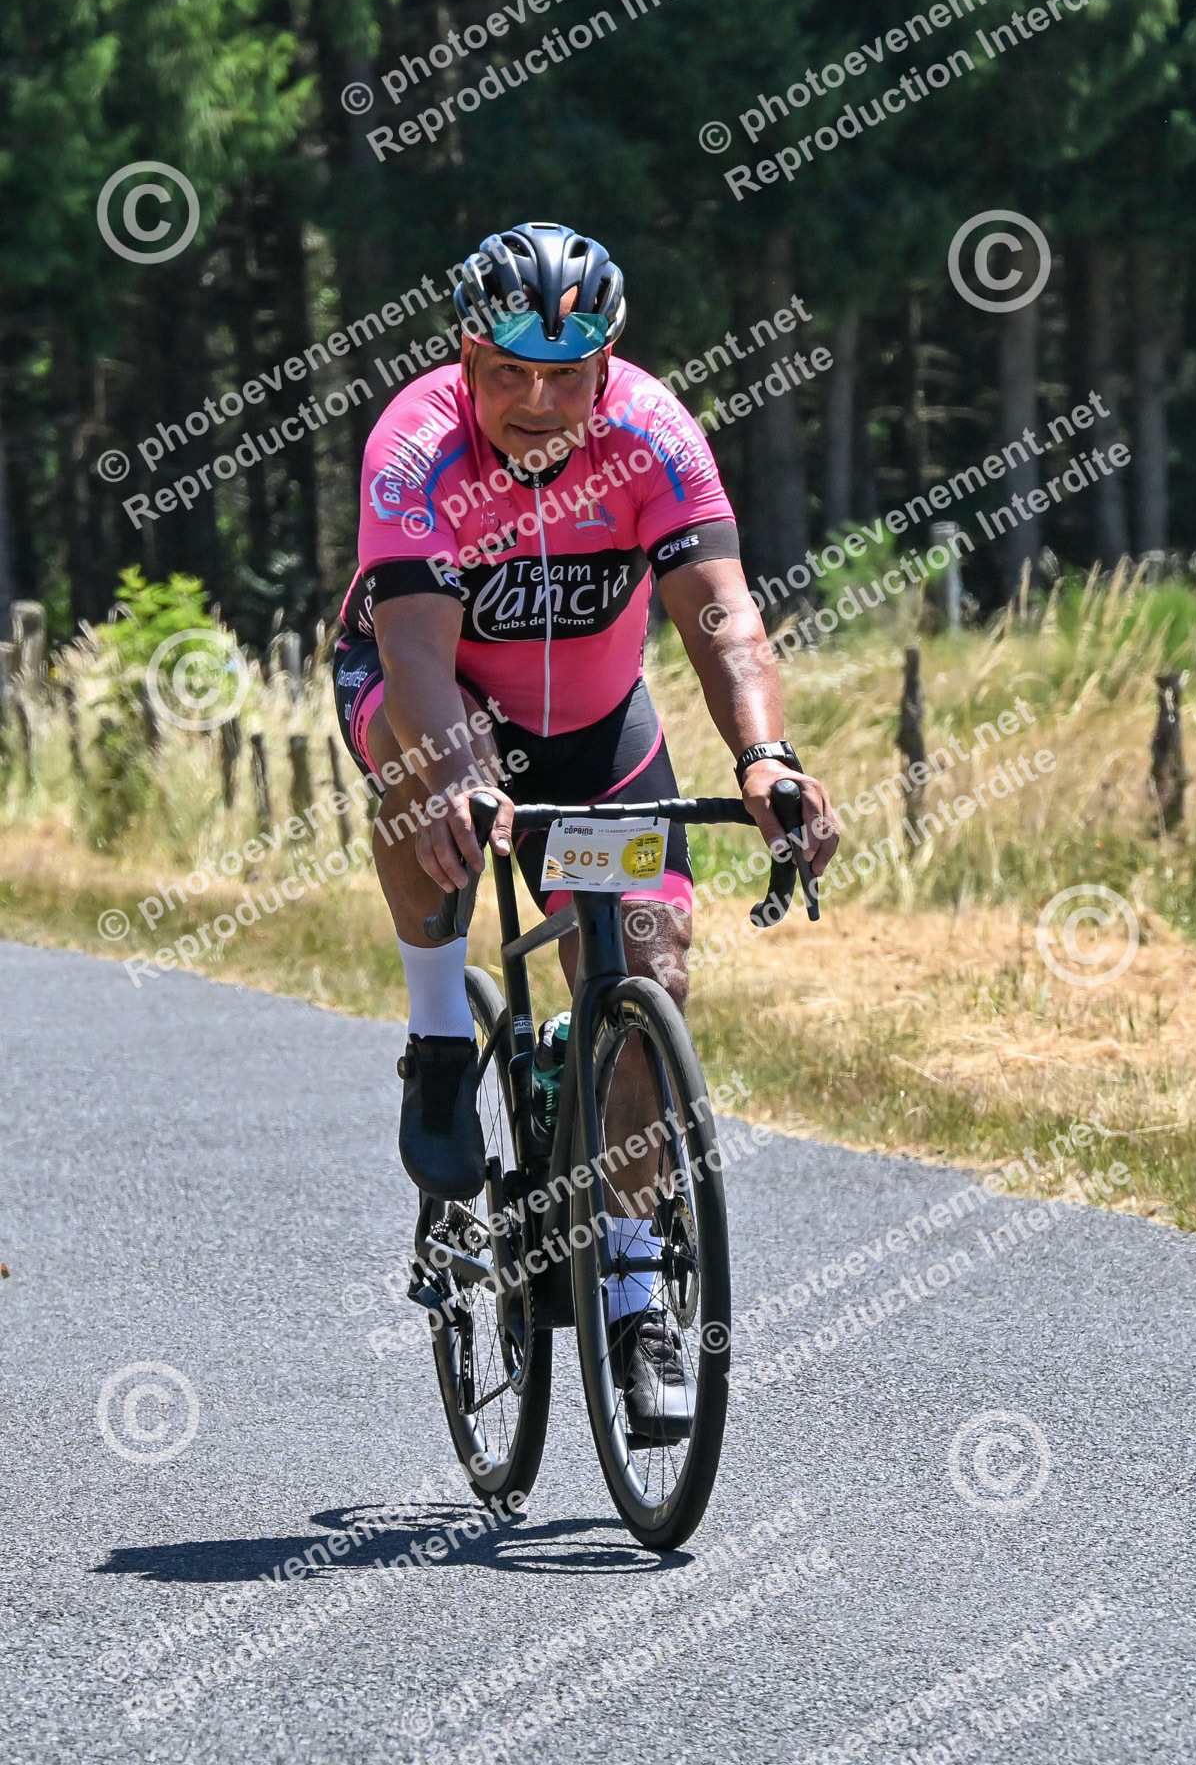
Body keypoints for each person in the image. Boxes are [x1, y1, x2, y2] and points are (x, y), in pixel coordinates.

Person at [333, 220, 838, 1436]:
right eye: (508, 373)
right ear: (466, 356)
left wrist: (763, 757)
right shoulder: (414, 444)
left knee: (650, 969)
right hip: (430, 699)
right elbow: (415, 650)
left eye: (566, 377)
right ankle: (439, 1041)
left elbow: (720, 616)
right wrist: (459, 782)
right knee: (428, 780)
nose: (537, 403)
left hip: (600, 723)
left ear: (606, 363)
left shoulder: (654, 431)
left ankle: (630, 1286)